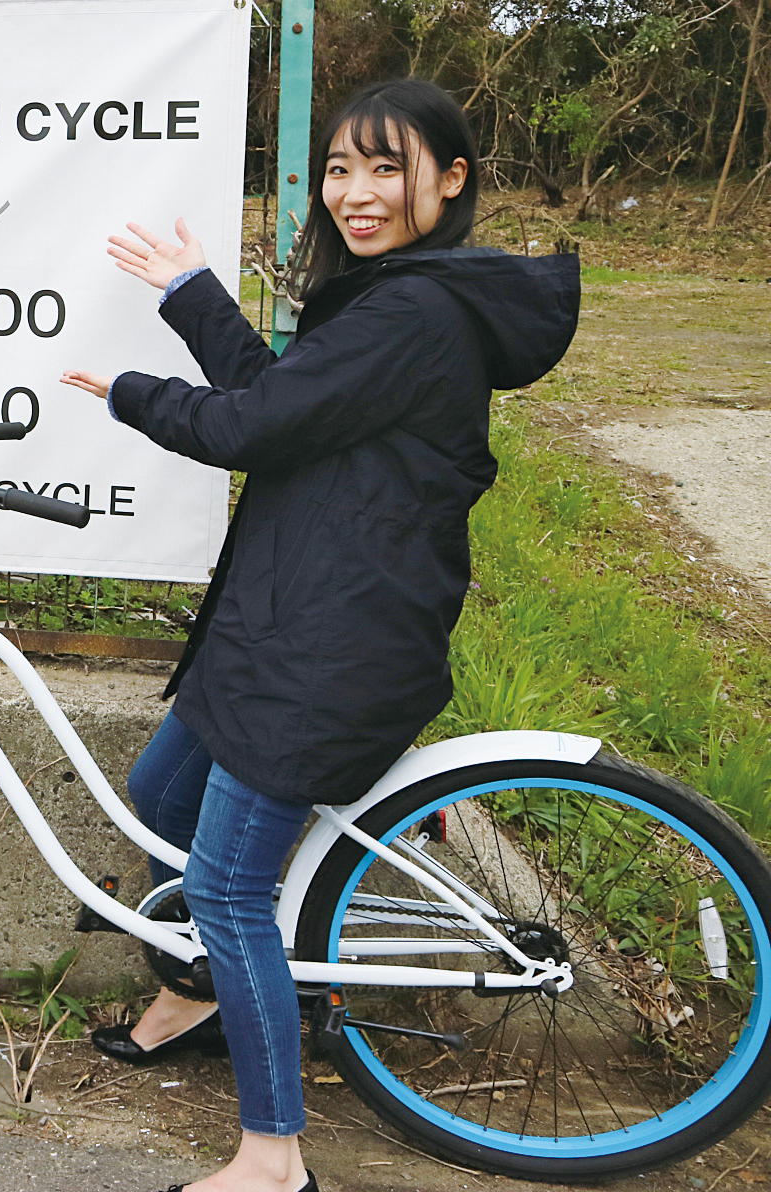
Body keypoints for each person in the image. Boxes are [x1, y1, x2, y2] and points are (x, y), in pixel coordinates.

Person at [59, 77, 579, 1192]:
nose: (356, 192)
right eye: (341, 168)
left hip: (332, 644)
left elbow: (251, 425)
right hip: (289, 617)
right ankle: (195, 995)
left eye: (386, 168)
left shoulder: (417, 311)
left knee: (232, 889)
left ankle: (272, 1155)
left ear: (452, 179)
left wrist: (132, 393)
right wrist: (194, 294)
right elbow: (294, 402)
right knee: (161, 793)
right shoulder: (392, 300)